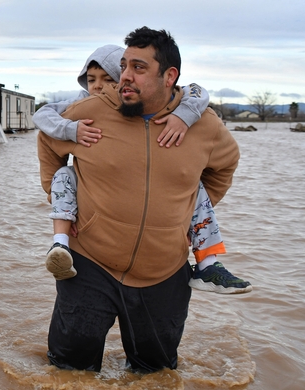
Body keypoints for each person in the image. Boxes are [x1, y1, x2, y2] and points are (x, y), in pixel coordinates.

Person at [37, 27, 241, 372]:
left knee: (155, 375)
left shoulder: (203, 125)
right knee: (68, 374)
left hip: (164, 272)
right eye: (124, 65)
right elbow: (47, 141)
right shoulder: (92, 112)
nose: (125, 77)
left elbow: (225, 165)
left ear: (169, 76)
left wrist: (181, 215)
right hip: (89, 265)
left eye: (139, 68)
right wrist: (67, 205)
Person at [34, 45, 251, 294]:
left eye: (107, 79)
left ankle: (207, 264)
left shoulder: (192, 115)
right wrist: (70, 132)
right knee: (77, 333)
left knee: (195, 187)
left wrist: (182, 214)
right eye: (91, 80)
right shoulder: (84, 110)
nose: (98, 86)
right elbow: (45, 123)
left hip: (165, 269)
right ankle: (59, 243)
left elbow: (198, 94)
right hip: (91, 260)